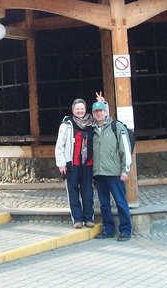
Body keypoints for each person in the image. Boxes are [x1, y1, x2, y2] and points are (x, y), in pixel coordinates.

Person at [91, 101, 133, 242]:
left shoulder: (116, 126)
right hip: (99, 173)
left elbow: (125, 148)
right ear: (93, 114)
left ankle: (126, 230)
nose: (99, 113)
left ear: (106, 112)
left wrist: (125, 170)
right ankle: (108, 229)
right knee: (104, 204)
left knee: (120, 202)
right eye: (96, 112)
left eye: (101, 111)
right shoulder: (92, 130)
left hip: (114, 172)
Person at [55, 98, 96, 229]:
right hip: (72, 164)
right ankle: (77, 219)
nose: (80, 111)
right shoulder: (67, 124)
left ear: (85, 109)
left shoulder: (92, 123)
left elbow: (105, 118)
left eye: (82, 108)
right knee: (73, 192)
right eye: (77, 108)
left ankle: (88, 218)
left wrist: (103, 103)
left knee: (88, 192)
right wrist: (61, 163)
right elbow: (60, 145)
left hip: (88, 164)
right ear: (73, 110)